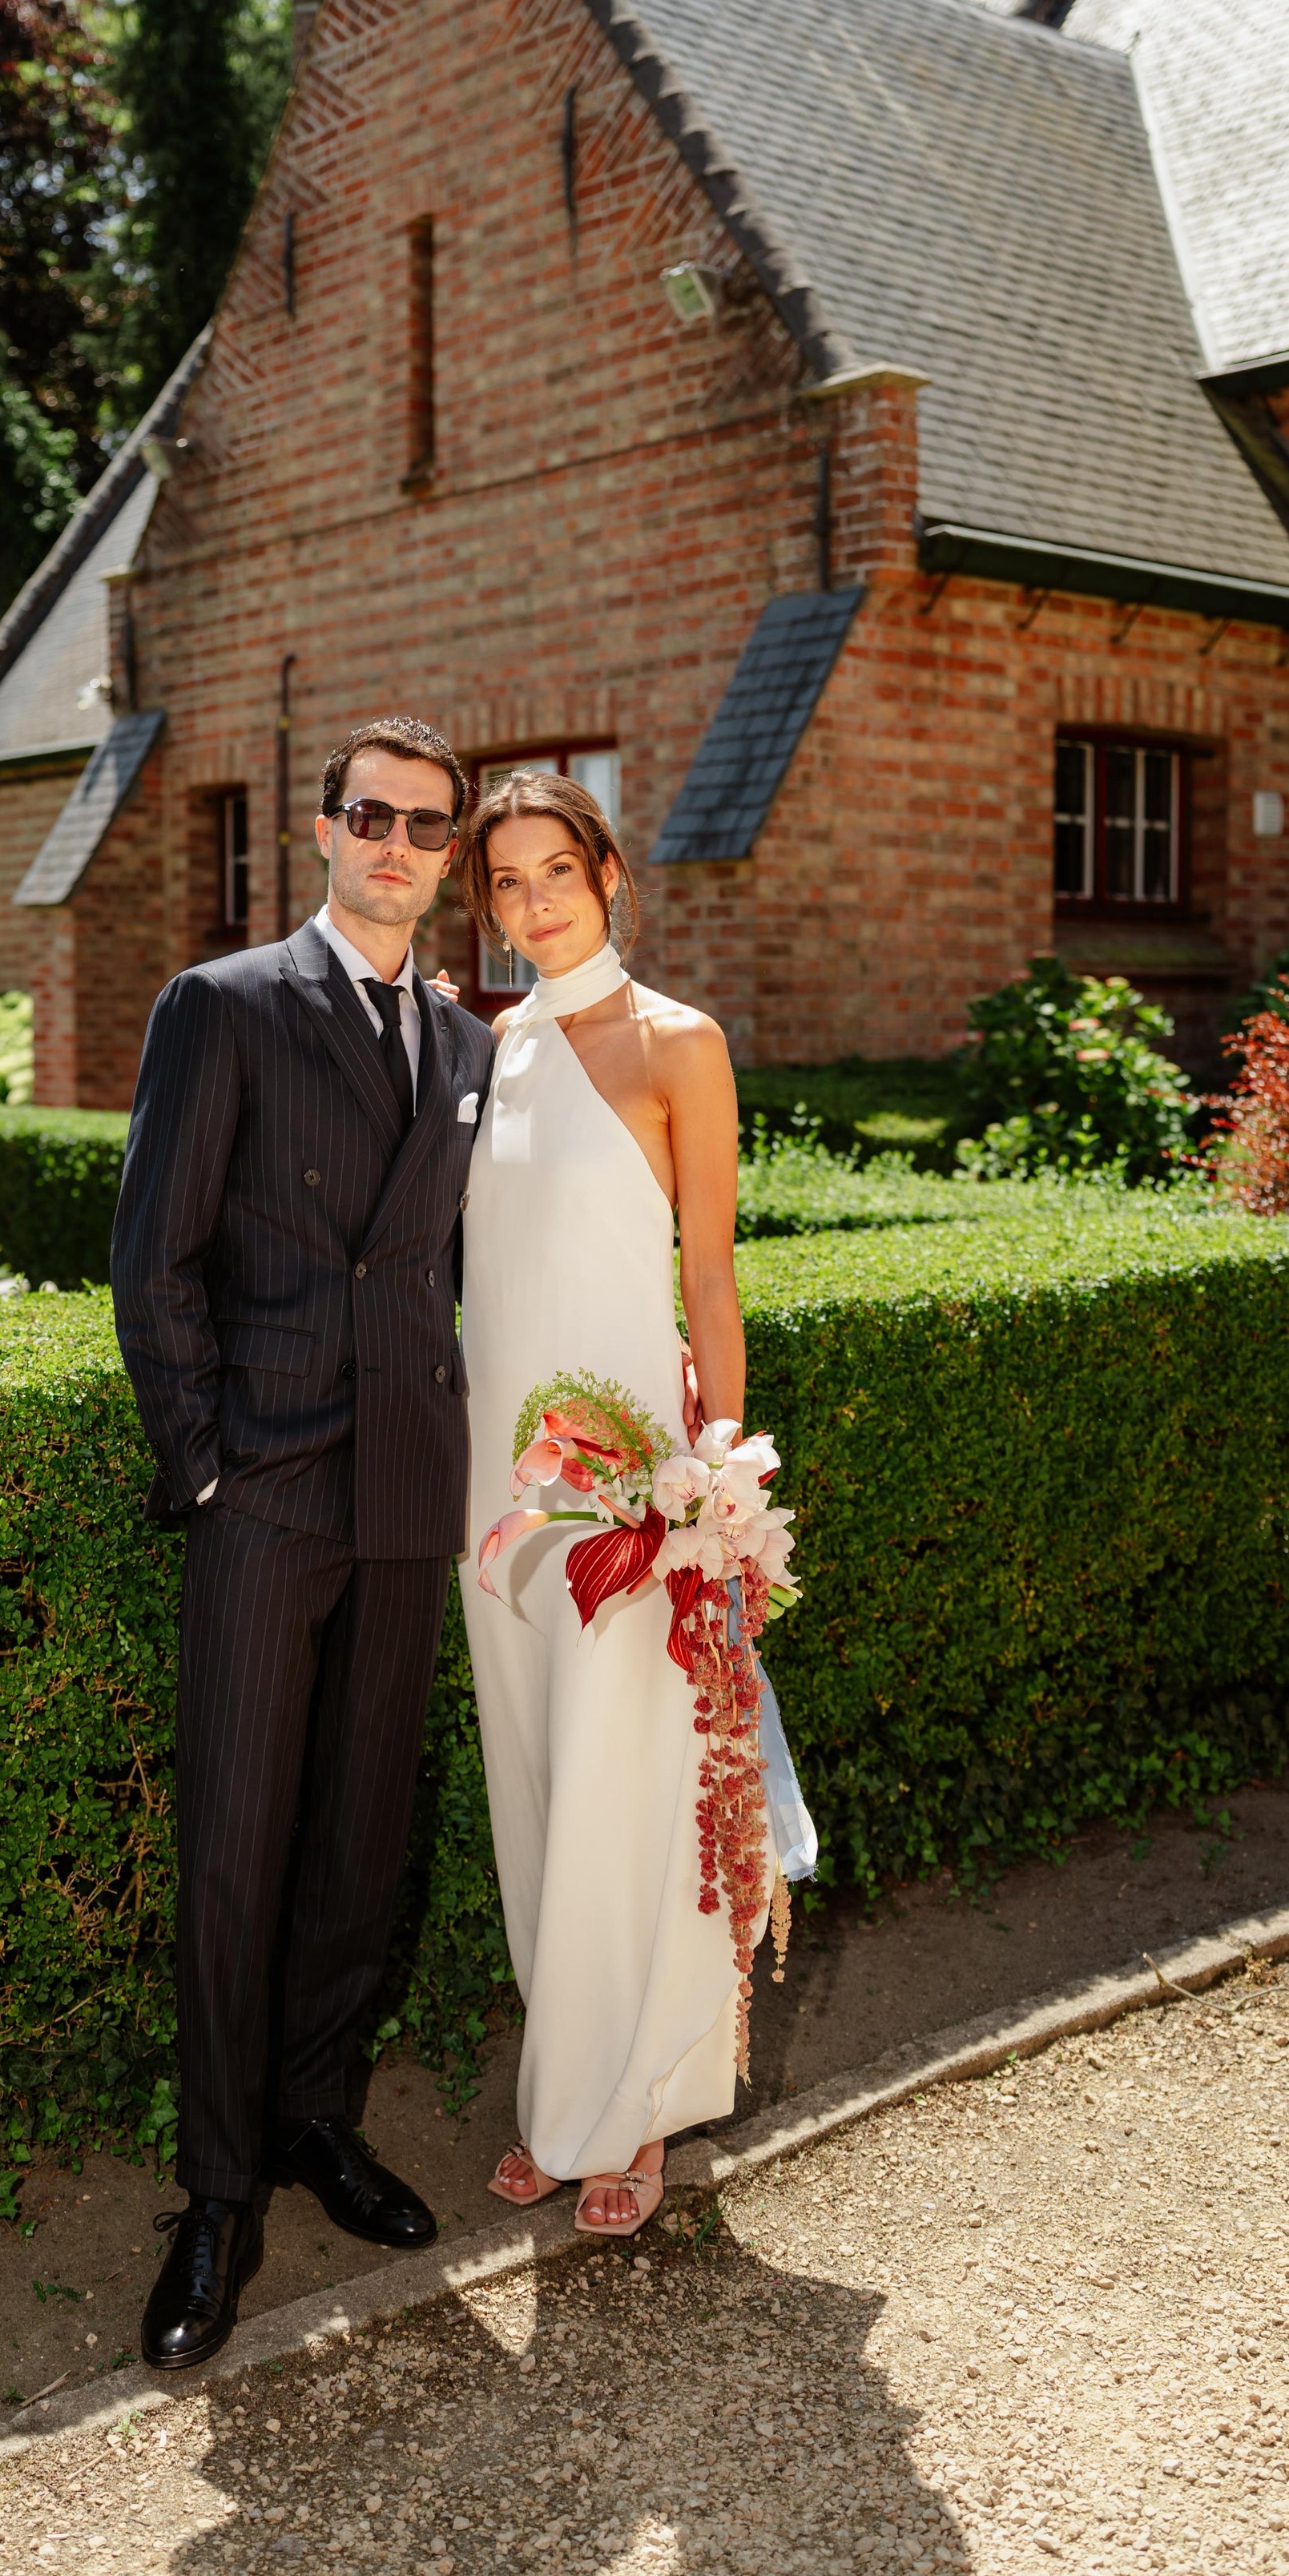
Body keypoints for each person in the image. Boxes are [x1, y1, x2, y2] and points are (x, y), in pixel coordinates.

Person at [111, 714, 495, 2370]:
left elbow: (454, 1275)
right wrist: (208, 1472)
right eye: (371, 816)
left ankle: (317, 2121)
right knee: (235, 1847)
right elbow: (153, 1261)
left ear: (449, 856)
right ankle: (215, 2195)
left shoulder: (468, 1047)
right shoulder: (224, 1007)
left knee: (355, 1841)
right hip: (265, 1492)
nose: (396, 844)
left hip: (407, 1495)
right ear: (323, 834)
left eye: (425, 826)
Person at [455, 768, 810, 2236]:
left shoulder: (682, 1045)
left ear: (612, 879)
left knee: (633, 1783)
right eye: (507, 885)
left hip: (631, 1483)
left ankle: (640, 2108)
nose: (533, 904)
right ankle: (566, 2079)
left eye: (557, 872)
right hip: (499, 1480)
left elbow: (712, 1273)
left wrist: (715, 1467)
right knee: (535, 1772)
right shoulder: (487, 1050)